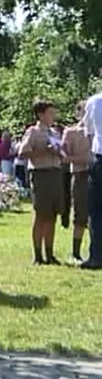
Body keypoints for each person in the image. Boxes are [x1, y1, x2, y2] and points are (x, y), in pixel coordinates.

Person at [20, 101, 65, 265]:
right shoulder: (33, 132)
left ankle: (50, 253)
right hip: (40, 174)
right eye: (50, 113)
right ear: (41, 114)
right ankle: (38, 255)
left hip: (55, 173)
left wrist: (59, 152)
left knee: (52, 214)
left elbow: (63, 154)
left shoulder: (55, 133)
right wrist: (44, 150)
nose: (53, 116)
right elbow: (23, 152)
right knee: (41, 214)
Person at [62, 104, 91, 263]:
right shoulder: (71, 132)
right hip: (80, 175)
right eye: (83, 110)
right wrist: (86, 160)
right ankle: (76, 252)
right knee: (80, 214)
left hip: (97, 174)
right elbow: (64, 157)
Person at [81, 89, 102, 269]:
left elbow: (88, 132)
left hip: (100, 158)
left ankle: (97, 256)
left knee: (96, 211)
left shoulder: (94, 101)